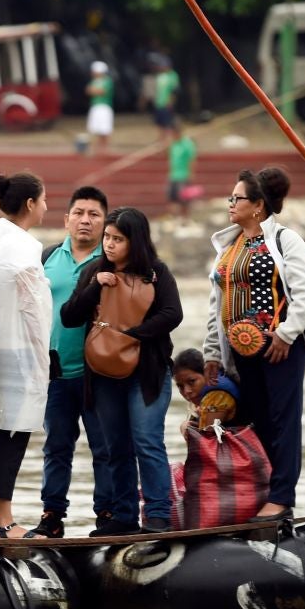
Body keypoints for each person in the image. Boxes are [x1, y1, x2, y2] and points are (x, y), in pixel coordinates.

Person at [203, 166, 305, 520]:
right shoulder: (230, 245)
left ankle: (282, 497)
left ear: (258, 206)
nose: (230, 203)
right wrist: (212, 351)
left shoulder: (285, 239)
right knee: (256, 420)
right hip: (241, 352)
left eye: (237, 198)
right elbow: (216, 302)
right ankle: (261, 489)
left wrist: (286, 334)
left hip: (278, 346)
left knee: (284, 419)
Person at [61, 207, 182, 535]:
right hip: (103, 374)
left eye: (118, 239)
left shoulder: (156, 272)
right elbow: (69, 316)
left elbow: (173, 314)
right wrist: (94, 288)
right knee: (116, 447)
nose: (110, 244)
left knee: (147, 440)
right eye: (107, 237)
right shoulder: (95, 271)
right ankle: (124, 516)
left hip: (147, 374)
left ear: (135, 241)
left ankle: (158, 515)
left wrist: (129, 336)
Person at [33, 186, 110, 538]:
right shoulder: (47, 257)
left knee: (104, 447)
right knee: (56, 447)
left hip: (100, 373)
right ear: (66, 219)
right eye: (78, 213)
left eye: (94, 214)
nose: (85, 220)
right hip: (56, 371)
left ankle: (107, 514)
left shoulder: (112, 260)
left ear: (105, 223)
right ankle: (52, 515)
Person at [0, 172, 51, 538]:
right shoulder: (22, 249)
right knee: (13, 432)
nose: (46, 207)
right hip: (21, 348)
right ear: (30, 203)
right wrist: (44, 358)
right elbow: (35, 311)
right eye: (43, 200)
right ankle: (3, 520)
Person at [166, 128, 197, 220]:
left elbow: (192, 160)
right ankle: (174, 218)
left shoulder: (187, 144)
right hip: (173, 176)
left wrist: (191, 174)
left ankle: (185, 218)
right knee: (172, 198)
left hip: (183, 176)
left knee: (184, 199)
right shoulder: (173, 144)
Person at [85, 61, 114, 153]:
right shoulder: (93, 81)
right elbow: (88, 91)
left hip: (104, 107)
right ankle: (97, 149)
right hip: (95, 107)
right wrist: (95, 90)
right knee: (95, 129)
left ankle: (105, 149)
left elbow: (102, 91)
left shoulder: (107, 81)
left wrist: (94, 90)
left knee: (105, 129)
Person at [152, 56, 180, 146]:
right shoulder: (159, 76)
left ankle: (167, 141)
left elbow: (174, 90)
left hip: (166, 103)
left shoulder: (173, 75)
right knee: (159, 123)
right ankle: (161, 140)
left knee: (167, 123)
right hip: (159, 103)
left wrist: (171, 102)